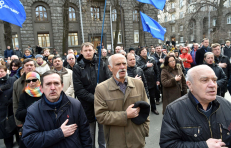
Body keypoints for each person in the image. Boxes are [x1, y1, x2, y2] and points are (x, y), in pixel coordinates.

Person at [160, 65, 231, 148]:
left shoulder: (226, 104)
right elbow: (168, 144)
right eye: (205, 80)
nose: (213, 85)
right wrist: (204, 146)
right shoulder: (174, 110)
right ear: (190, 85)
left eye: (214, 80)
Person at [21, 71, 92, 148]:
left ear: (62, 86)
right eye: (48, 84)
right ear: (41, 87)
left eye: (56, 83)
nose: (53, 88)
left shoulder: (75, 105)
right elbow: (29, 140)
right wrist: (59, 133)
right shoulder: (33, 111)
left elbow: (85, 135)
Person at [94, 54, 150, 148]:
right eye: (118, 64)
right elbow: (101, 116)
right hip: (115, 141)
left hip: (137, 138)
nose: (122, 67)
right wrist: (125, 115)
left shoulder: (138, 84)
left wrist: (144, 130)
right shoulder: (101, 89)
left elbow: (146, 109)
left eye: (124, 63)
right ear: (110, 68)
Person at [73, 42, 110, 148]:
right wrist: (94, 99)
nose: (88, 52)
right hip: (86, 106)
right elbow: (79, 90)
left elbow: (109, 81)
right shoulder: (77, 67)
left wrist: (102, 99)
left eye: (90, 50)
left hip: (103, 104)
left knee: (103, 134)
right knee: (89, 135)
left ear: (94, 51)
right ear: (81, 52)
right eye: (85, 50)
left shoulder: (101, 63)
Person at [15, 72, 42, 148]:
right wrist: (31, 108)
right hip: (30, 128)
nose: (31, 82)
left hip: (44, 128)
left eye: (34, 80)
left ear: (39, 81)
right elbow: (18, 115)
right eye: (28, 81)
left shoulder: (45, 93)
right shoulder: (24, 95)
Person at [13, 59, 36, 140]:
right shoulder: (17, 83)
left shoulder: (43, 79)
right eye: (26, 65)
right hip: (25, 118)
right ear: (23, 68)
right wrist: (18, 121)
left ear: (35, 67)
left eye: (31, 65)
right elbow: (15, 102)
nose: (29, 67)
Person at [137, 47, 160, 115]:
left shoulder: (151, 59)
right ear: (140, 53)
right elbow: (137, 69)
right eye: (143, 51)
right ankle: (144, 110)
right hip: (143, 82)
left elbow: (156, 70)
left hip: (152, 81)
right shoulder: (138, 61)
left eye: (145, 51)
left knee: (152, 97)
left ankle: (154, 108)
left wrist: (158, 79)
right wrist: (146, 66)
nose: (144, 52)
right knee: (144, 97)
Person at [0, 65, 18, 148]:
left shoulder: (12, 80)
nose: (0, 73)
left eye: (2, 71)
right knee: (6, 132)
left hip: (11, 109)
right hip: (2, 111)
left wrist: (11, 100)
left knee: (16, 130)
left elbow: (16, 92)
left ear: (6, 71)